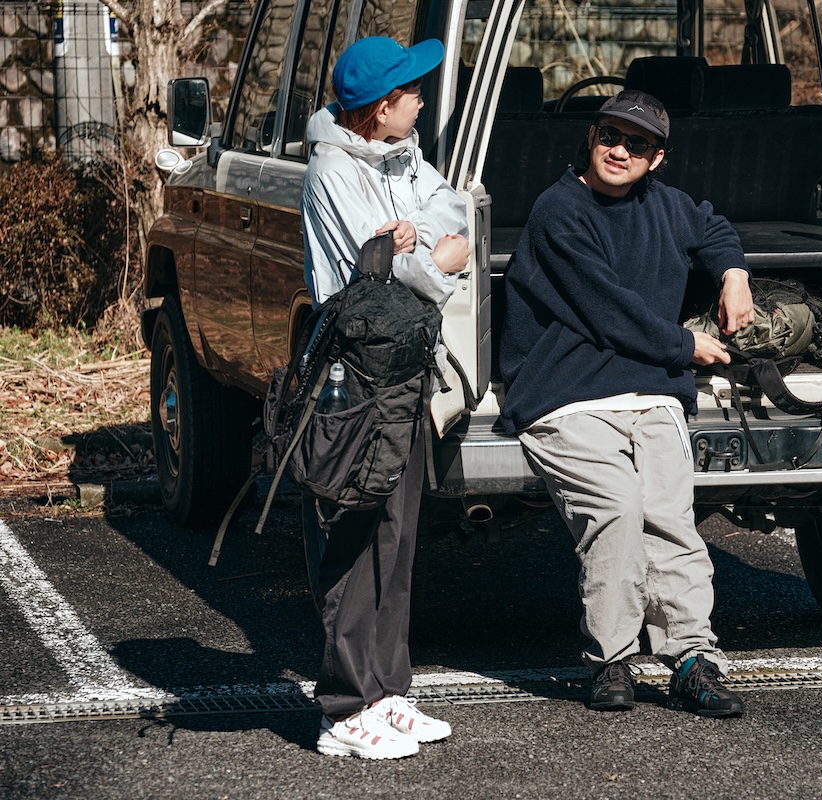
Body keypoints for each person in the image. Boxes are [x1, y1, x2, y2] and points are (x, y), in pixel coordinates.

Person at [499, 90, 755, 717]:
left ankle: (692, 660)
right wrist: (685, 346)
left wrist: (734, 273)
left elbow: (712, 225)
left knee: (669, 519)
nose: (620, 151)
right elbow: (607, 307)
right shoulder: (559, 210)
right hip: (566, 396)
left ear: (656, 158)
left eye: (636, 144)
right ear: (591, 139)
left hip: (650, 393)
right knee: (616, 511)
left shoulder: (665, 204)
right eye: (609, 136)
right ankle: (611, 659)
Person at [300, 36, 471, 759]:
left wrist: (417, 240)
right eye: (412, 93)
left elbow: (451, 209)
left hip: (401, 368)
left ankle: (386, 690)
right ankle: (343, 708)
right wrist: (435, 263)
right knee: (353, 530)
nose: (422, 102)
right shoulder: (332, 171)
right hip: (354, 376)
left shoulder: (402, 156)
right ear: (379, 108)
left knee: (398, 534)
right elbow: (375, 277)